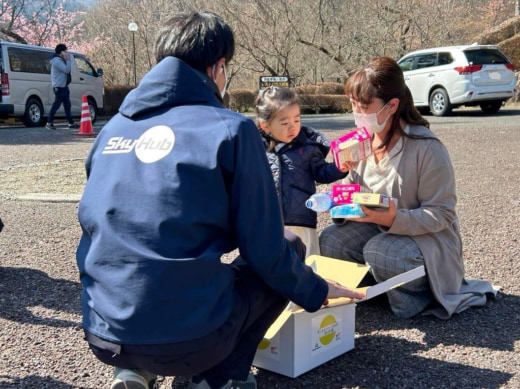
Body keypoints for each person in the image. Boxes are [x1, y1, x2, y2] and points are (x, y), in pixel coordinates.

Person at [76, 12, 364, 389]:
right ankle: (217, 378)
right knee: (288, 247)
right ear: (218, 68)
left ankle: (135, 370)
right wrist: (315, 288)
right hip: (191, 340)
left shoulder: (113, 129)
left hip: (103, 332)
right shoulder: (230, 129)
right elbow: (265, 250)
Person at [319, 56, 497, 320]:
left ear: (392, 106)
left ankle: (419, 297)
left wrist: (394, 218)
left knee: (379, 250)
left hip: (426, 239)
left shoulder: (426, 148)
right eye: (353, 105)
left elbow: (442, 213)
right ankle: (376, 290)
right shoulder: (360, 143)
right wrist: (336, 199)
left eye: (365, 106)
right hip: (378, 229)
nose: (358, 114)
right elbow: (351, 193)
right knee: (331, 239)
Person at [255, 87, 348, 257]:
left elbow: (322, 173)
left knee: (305, 267)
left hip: (301, 222)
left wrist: (338, 168)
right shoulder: (255, 150)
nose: (293, 128)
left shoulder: (307, 148)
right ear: (265, 126)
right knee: (270, 269)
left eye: (297, 121)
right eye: (285, 123)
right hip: (267, 223)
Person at [45, 43, 78, 130]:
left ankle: (70, 122)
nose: (66, 53)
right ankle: (49, 122)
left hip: (63, 86)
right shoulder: (56, 61)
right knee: (56, 105)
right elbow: (67, 70)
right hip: (59, 87)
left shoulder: (59, 60)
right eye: (65, 51)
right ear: (62, 52)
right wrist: (68, 60)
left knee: (67, 105)